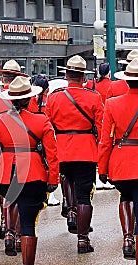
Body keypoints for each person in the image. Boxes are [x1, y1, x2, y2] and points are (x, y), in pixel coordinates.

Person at [0, 76, 59, 265]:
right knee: (28, 223)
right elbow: (52, 153)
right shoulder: (41, 120)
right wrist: (53, 178)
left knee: (10, 203)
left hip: (6, 175)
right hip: (33, 174)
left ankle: (8, 233)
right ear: (28, 99)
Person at [99, 59, 138, 265]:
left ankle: (127, 238)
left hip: (121, 163)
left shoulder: (112, 104)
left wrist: (102, 169)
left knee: (125, 196)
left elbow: (106, 140)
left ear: (127, 81)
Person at [46, 55, 103, 253]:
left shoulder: (54, 97)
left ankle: (70, 211)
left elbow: (47, 126)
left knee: (66, 177)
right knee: (85, 196)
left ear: (66, 75)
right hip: (86, 148)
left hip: (62, 147)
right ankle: (83, 239)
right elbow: (100, 127)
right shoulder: (93, 97)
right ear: (82, 77)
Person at [0, 59, 29, 253]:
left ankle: (5, 225)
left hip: (0, 153)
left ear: (2, 78)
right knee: (21, 195)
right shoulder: (28, 98)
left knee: (6, 194)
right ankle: (16, 233)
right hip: (24, 151)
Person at [28, 75, 60, 207]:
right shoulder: (51, 100)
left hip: (33, 137)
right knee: (49, 163)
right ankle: (50, 195)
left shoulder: (30, 101)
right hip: (48, 134)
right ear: (47, 89)